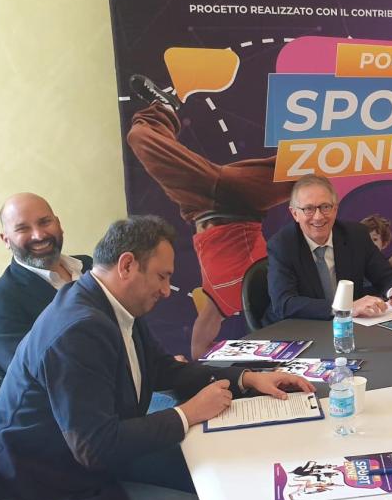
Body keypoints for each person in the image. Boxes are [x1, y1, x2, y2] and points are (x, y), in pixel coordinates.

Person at [0, 215, 314, 500]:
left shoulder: (105, 303)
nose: (167, 290)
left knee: (214, 475)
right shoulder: (78, 329)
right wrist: (187, 413)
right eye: (162, 276)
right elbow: (94, 447)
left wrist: (247, 378)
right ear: (127, 265)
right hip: (51, 489)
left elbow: (161, 368)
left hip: (80, 461)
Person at [126, 74, 295, 358]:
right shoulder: (273, 285)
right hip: (244, 203)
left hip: (202, 204)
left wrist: (200, 371)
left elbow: (199, 344)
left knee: (140, 137)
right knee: (304, 166)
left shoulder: (219, 303)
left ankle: (164, 109)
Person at [265, 175, 392, 322]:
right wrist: (345, 307)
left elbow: (386, 275)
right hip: (298, 327)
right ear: (295, 214)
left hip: (350, 325)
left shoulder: (355, 235)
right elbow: (284, 303)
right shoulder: (282, 245)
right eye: (308, 209)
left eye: (325, 207)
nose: (318, 217)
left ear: (335, 209)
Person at [0, 193, 93, 373]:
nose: (38, 235)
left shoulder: (89, 265)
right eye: (23, 229)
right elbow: (36, 375)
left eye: (45, 222)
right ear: (6, 240)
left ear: (58, 224)